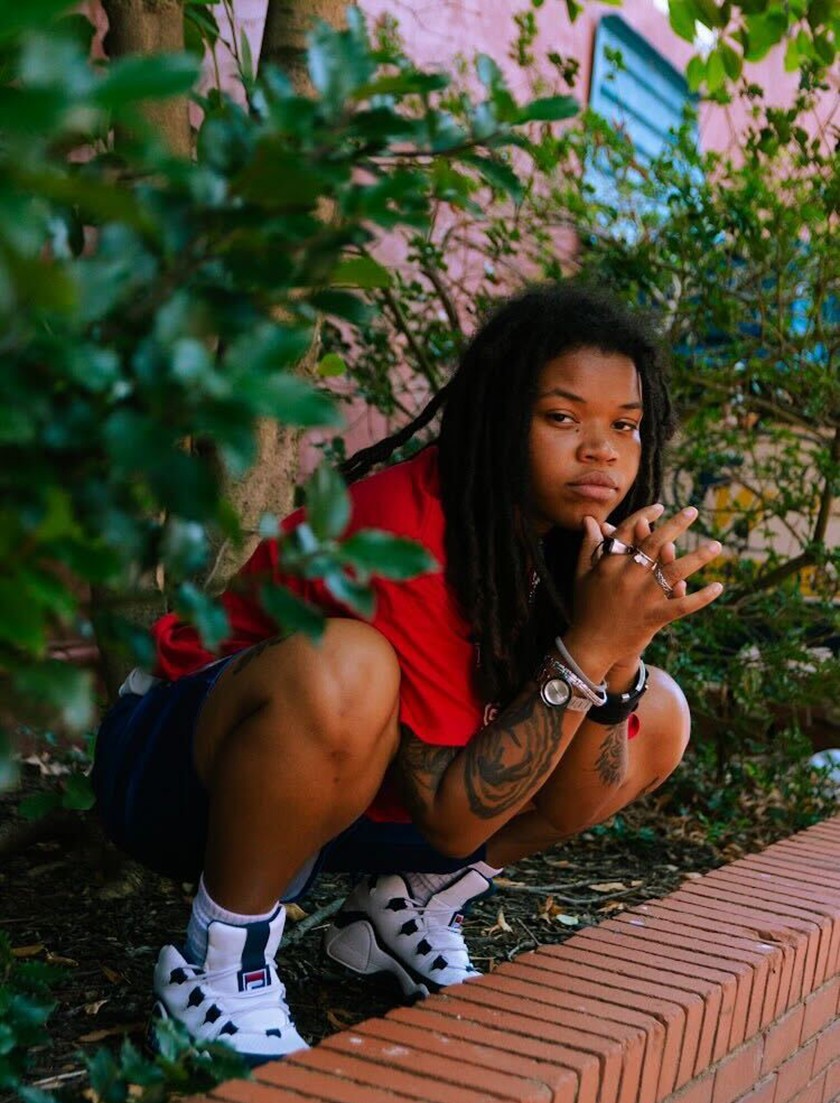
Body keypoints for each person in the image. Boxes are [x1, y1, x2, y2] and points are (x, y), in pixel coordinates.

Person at [92, 283, 724, 1063]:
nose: (602, 449)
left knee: (655, 711)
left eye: (624, 424)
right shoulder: (408, 530)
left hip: (346, 795)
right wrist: (588, 650)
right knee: (347, 667)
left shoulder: (571, 544)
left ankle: (406, 906)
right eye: (562, 417)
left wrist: (618, 654)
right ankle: (220, 962)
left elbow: (569, 801)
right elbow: (453, 822)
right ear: (500, 417)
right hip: (178, 774)